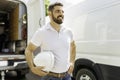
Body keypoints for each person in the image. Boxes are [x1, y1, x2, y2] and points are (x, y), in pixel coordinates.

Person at [25, 2, 76, 80]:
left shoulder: (68, 31)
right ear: (50, 14)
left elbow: (73, 46)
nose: (61, 14)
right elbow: (28, 50)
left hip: (67, 76)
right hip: (50, 76)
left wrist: (72, 62)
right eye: (57, 11)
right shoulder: (42, 32)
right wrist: (32, 67)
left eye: (62, 12)